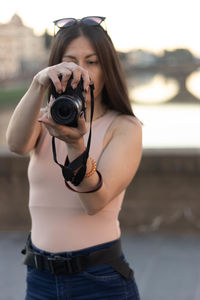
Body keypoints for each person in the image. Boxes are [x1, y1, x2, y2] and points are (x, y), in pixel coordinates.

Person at [6, 16, 142, 300]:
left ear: (107, 68)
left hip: (99, 281)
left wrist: (76, 145)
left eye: (92, 61)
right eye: (69, 61)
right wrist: (37, 84)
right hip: (40, 278)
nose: (80, 71)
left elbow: (95, 202)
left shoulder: (124, 127)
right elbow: (17, 145)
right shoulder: (46, 119)